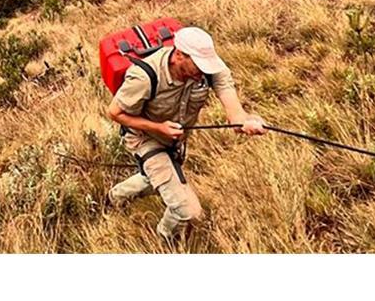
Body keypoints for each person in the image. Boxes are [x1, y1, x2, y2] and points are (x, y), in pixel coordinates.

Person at [106, 25, 265, 241]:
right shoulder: (144, 77)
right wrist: (158, 128)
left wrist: (244, 121)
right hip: (145, 139)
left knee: (154, 177)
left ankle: (114, 198)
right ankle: (164, 241)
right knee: (188, 211)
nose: (204, 71)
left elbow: (233, 108)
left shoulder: (208, 69)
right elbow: (115, 113)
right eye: (198, 65)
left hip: (174, 141)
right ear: (179, 55)